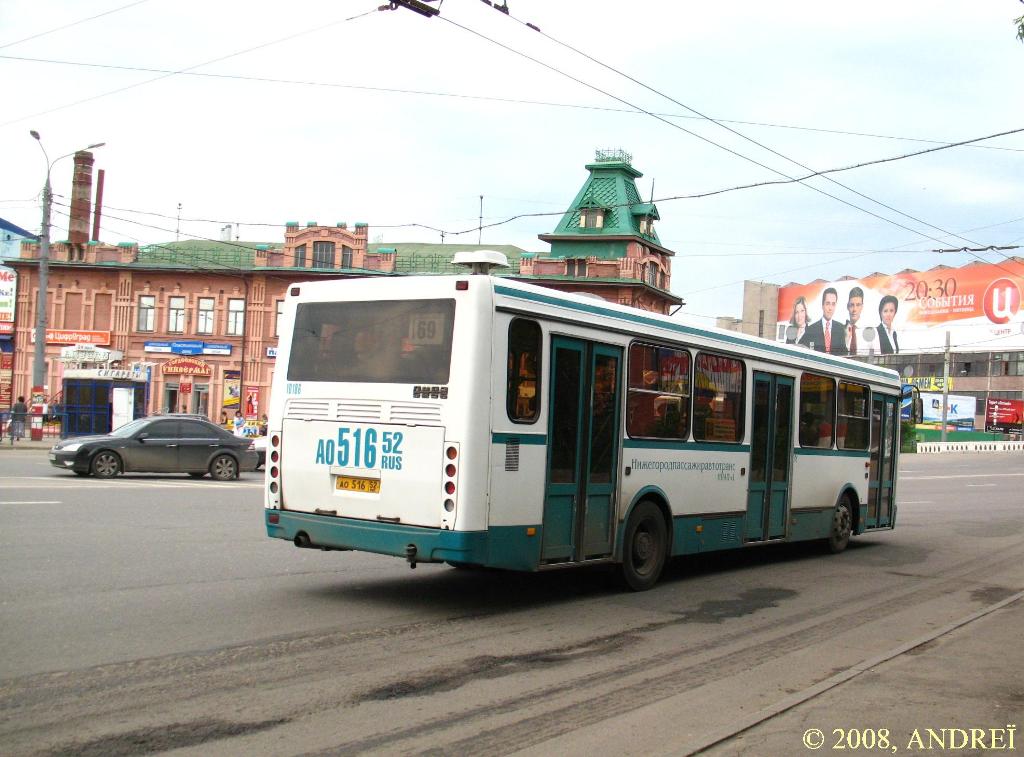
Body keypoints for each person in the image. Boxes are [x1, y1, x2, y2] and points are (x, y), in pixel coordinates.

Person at [800, 287, 848, 355]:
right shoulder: (811, 329)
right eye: (828, 303)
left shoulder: (840, 328)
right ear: (822, 305)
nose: (830, 308)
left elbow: (844, 354)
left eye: (833, 304)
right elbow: (801, 349)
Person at [845, 287, 865, 355]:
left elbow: (874, 356)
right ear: (847, 306)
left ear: (862, 307)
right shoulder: (841, 331)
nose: (854, 309)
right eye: (852, 305)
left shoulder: (870, 330)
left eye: (858, 305)